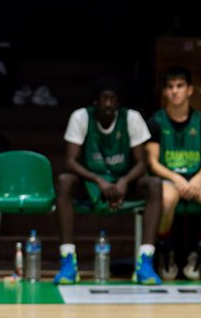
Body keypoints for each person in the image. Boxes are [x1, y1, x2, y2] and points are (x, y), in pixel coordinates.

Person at [54, 76, 164, 285]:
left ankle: (145, 261)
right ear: (95, 101)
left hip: (124, 181)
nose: (108, 104)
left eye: (112, 99)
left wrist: (123, 182)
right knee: (64, 181)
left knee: (154, 184)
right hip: (90, 182)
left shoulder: (132, 118)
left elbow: (142, 164)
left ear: (118, 102)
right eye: (103, 99)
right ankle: (68, 261)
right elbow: (70, 161)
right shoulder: (81, 117)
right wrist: (98, 180)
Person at [146, 66, 201, 280]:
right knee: (166, 198)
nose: (175, 91)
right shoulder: (155, 122)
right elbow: (153, 162)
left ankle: (200, 252)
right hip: (169, 179)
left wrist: (199, 178)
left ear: (189, 90)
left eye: (180, 86)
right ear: (164, 92)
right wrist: (176, 179)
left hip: (197, 180)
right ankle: (165, 250)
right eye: (170, 87)